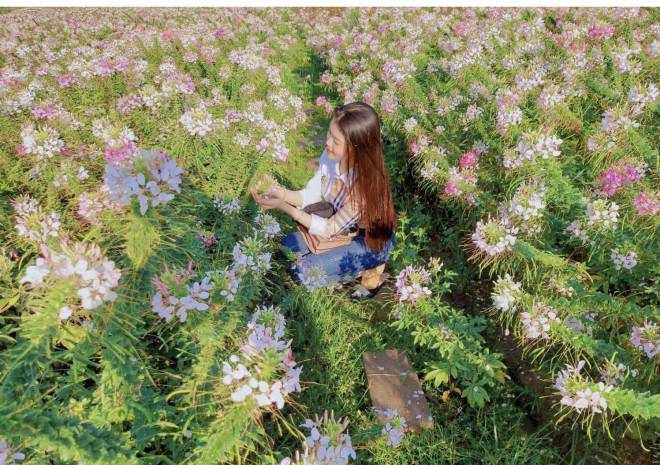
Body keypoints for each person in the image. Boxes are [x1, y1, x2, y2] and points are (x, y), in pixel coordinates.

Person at [251, 101, 397, 298]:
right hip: (342, 228)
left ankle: (368, 271)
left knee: (303, 273)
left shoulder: (364, 184)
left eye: (336, 141)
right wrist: (281, 193)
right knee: (286, 247)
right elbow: (311, 194)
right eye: (329, 134)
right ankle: (343, 267)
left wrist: (286, 208)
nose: (328, 142)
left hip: (369, 242)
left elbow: (329, 229)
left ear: (357, 148)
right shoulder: (330, 156)